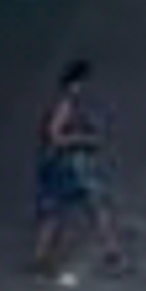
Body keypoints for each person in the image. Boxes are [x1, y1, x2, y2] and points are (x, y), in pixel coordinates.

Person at [26, 64, 121, 278]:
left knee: (56, 213)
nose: (85, 87)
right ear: (74, 84)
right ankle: (112, 254)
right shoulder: (65, 105)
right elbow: (54, 136)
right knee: (95, 206)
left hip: (60, 166)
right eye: (83, 82)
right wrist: (84, 140)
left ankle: (39, 258)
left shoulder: (67, 104)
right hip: (67, 167)